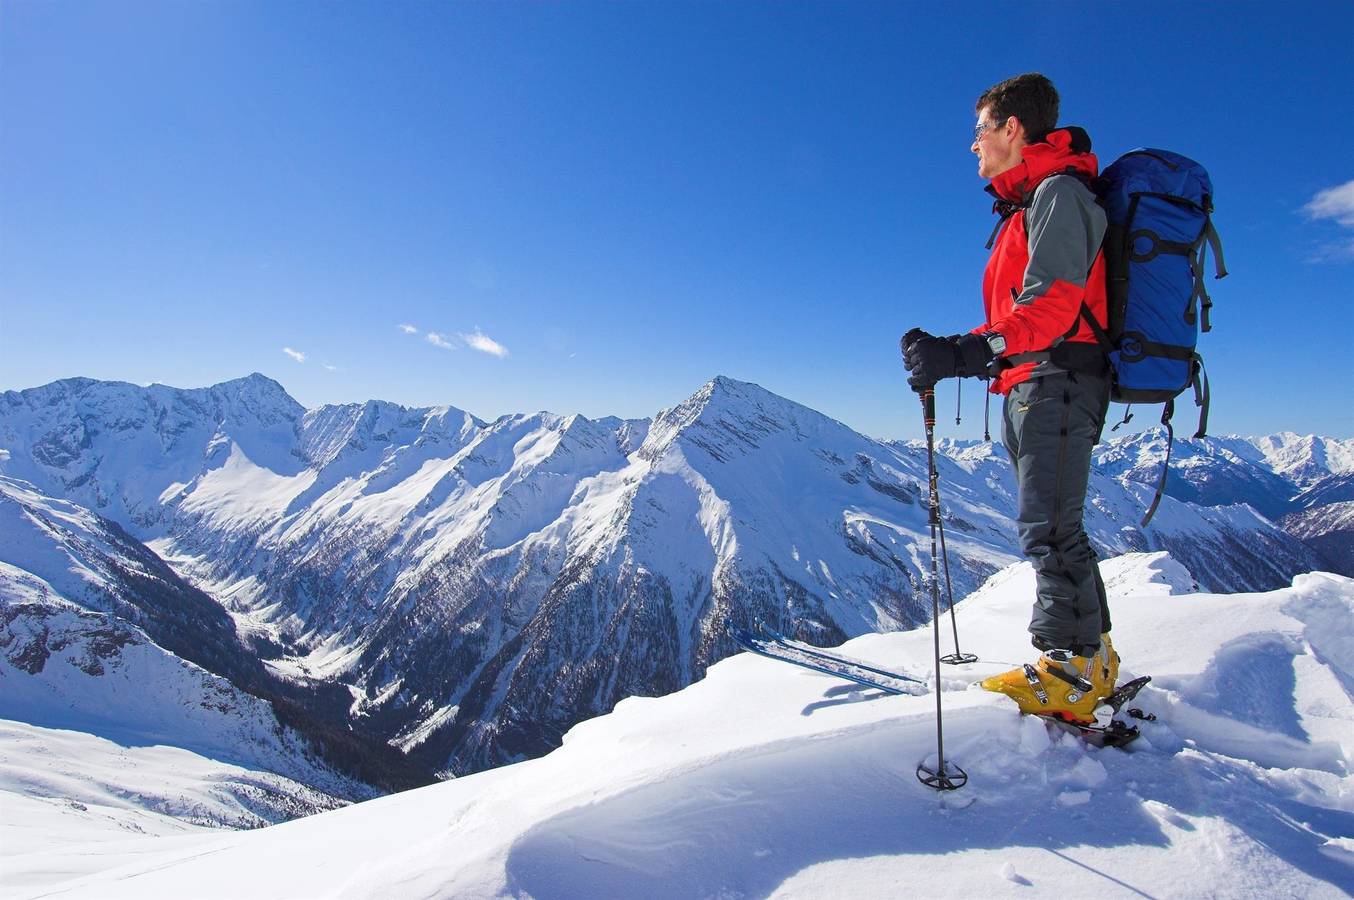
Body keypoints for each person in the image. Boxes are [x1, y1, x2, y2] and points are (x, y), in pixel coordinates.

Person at [902, 72, 1119, 724]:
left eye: (980, 132)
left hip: (1057, 383)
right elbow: (1024, 313)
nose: (973, 147)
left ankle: (1069, 671)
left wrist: (969, 353)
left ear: (1013, 129)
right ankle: (1092, 657)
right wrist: (957, 348)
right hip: (1035, 383)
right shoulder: (1029, 205)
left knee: (1049, 530)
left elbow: (1051, 306)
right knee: (1057, 529)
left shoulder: (1058, 194)